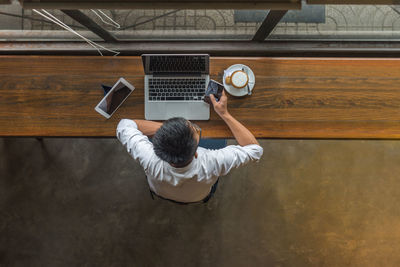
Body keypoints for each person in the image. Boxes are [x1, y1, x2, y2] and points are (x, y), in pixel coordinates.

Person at [116, 91, 263, 204]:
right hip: (199, 196)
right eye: (194, 130)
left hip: (159, 191)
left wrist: (169, 129)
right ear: (197, 153)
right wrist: (224, 114)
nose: (192, 126)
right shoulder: (212, 162)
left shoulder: (149, 157)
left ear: (157, 149)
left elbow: (124, 124)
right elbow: (255, 150)